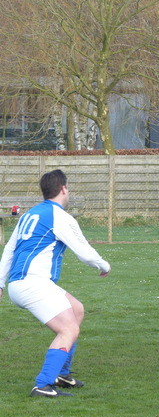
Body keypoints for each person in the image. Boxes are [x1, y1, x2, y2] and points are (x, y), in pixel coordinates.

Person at [0, 169, 111, 398]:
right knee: (68, 329)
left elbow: (9, 251)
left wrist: (1, 283)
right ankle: (42, 384)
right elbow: (84, 252)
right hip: (33, 284)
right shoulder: (59, 216)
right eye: (67, 188)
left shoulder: (29, 215)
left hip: (21, 283)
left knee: (76, 310)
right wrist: (104, 265)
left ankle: (61, 373)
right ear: (63, 189)